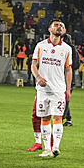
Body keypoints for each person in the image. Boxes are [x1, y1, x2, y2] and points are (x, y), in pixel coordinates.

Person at [30, 19, 73, 158]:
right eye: (56, 25)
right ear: (49, 29)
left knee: (58, 117)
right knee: (45, 118)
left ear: (64, 31)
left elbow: (68, 69)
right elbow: (33, 64)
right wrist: (38, 77)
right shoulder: (41, 46)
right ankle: (47, 148)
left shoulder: (67, 49)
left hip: (58, 89)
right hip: (42, 89)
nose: (59, 27)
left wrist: (68, 89)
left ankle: (55, 147)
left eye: (61, 26)